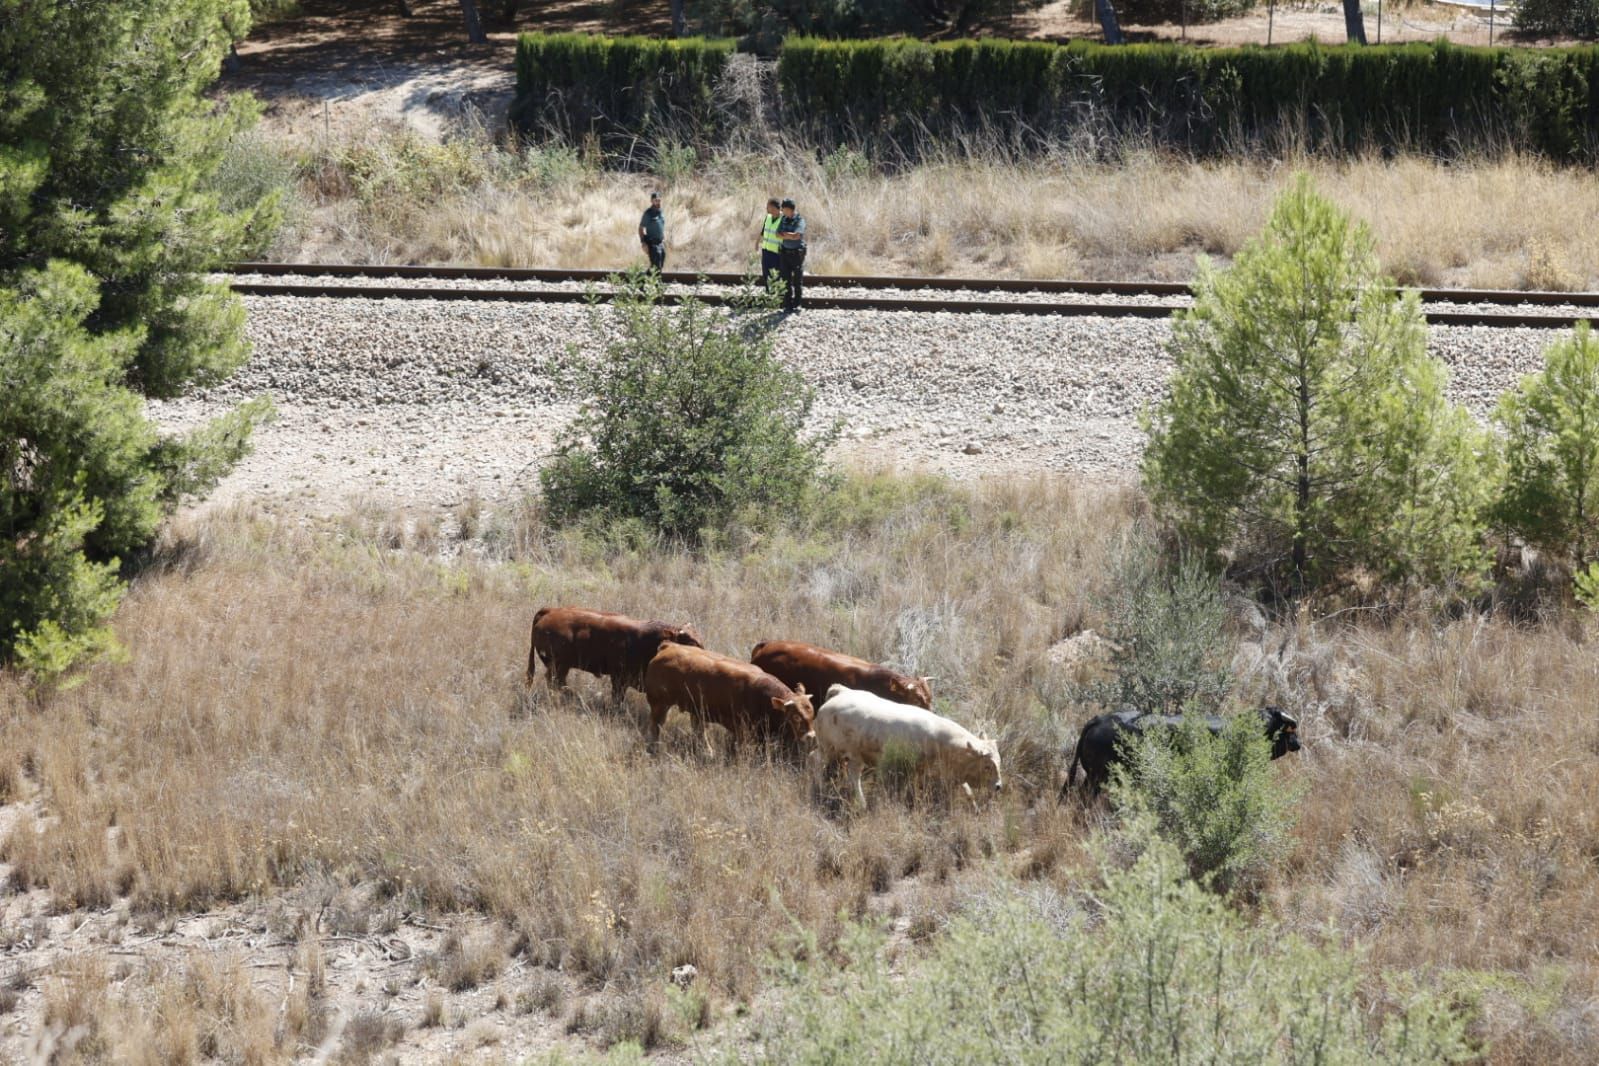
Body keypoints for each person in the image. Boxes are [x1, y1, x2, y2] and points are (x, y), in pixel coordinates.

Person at [776, 197, 806, 312]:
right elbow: (777, 234)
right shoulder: (783, 219)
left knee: (797, 281)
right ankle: (787, 305)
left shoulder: (800, 220)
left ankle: (797, 303)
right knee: (785, 280)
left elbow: (797, 235)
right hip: (784, 253)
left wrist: (786, 235)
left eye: (783, 209)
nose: (782, 211)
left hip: (796, 254)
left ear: (789, 209)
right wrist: (789, 235)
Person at [639, 191, 666, 273]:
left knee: (660, 263)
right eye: (655, 200)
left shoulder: (660, 212)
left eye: (659, 200)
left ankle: (643, 281)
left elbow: (661, 226)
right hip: (652, 243)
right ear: (651, 201)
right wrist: (643, 243)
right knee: (656, 265)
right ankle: (656, 284)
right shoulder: (648, 213)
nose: (658, 202)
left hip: (660, 242)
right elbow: (640, 229)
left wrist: (663, 239)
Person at [760, 198, 782, 293]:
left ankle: (776, 295)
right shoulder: (768, 217)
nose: (766, 209)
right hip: (765, 250)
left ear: (773, 207)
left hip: (776, 253)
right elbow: (763, 231)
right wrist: (757, 242)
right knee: (766, 274)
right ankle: (768, 293)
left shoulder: (783, 220)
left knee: (775, 275)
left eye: (768, 206)